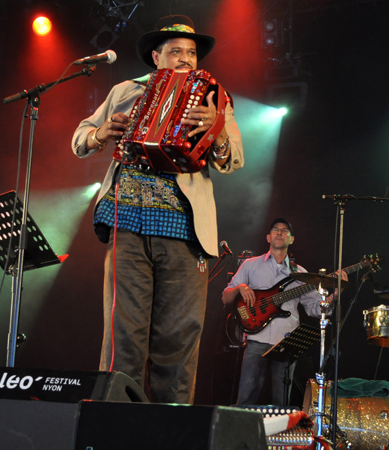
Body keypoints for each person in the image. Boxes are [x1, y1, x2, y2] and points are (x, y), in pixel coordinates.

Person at [72, 15, 244, 404]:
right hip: (128, 223)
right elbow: (80, 138)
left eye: (191, 53)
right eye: (176, 52)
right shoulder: (125, 91)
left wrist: (214, 129)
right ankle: (114, 426)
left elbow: (234, 159)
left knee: (179, 339)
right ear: (156, 56)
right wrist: (103, 133)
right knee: (123, 336)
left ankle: (171, 431)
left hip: (185, 232)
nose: (185, 59)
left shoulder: (215, 98)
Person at [222, 218, 333, 406]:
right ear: (268, 237)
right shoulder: (250, 265)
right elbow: (225, 297)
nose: (279, 232)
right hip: (256, 338)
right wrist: (240, 286)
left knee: (281, 402)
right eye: (275, 229)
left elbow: (315, 309)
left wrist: (331, 299)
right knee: (245, 400)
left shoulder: (301, 273)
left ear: (292, 239)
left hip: (286, 343)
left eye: (285, 230)